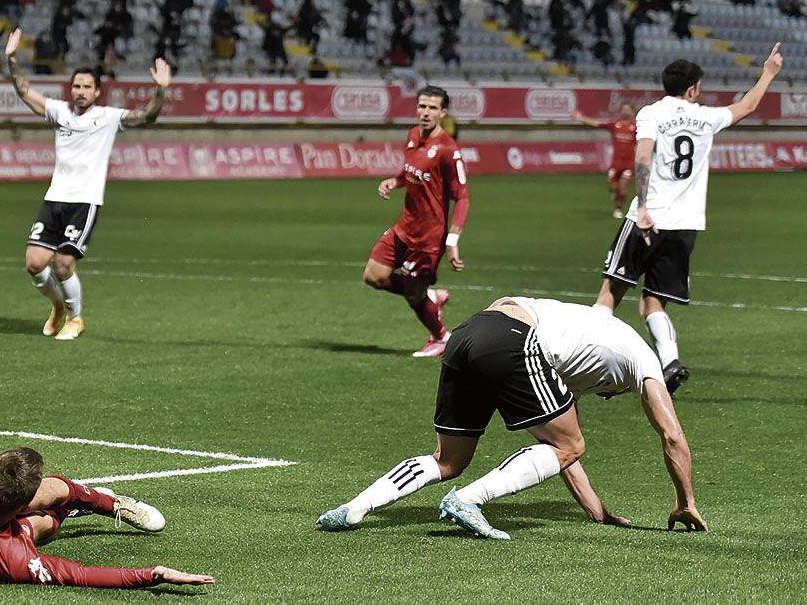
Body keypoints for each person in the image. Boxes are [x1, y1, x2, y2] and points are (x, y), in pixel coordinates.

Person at [317, 296, 707, 540]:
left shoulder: (585, 345)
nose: (605, 397)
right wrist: (685, 501)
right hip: (513, 337)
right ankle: (469, 500)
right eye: (610, 392)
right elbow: (672, 434)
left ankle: (354, 507)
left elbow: (555, 449)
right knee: (570, 442)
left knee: (448, 460)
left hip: (471, 331)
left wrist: (598, 511)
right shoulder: (645, 363)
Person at [0, 284, 216, 589]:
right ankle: (105, 503)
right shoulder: (13, 557)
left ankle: (96, 505)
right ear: (23, 507)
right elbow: (80, 574)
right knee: (52, 503)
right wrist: (153, 573)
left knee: (39, 520)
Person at [594, 43, 783, 394]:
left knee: (611, 292)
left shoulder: (651, 113)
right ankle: (670, 361)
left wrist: (645, 206)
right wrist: (768, 72)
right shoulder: (706, 117)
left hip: (649, 218)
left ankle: (590, 363)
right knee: (653, 302)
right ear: (693, 88)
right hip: (685, 225)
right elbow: (748, 106)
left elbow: (643, 156)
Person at [4, 27, 170, 340]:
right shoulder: (59, 112)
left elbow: (147, 116)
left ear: (97, 92)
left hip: (85, 200)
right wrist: (11, 58)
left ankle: (76, 318)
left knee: (64, 263)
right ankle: (57, 307)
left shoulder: (108, 118)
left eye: (86, 87)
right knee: (34, 262)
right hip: (55, 197)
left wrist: (160, 91)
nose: (80, 91)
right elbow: (24, 90)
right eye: (76, 85)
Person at [364, 86, 470, 357]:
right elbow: (410, 172)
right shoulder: (412, 135)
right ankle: (430, 298)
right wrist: (395, 181)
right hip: (403, 227)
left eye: (432, 108)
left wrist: (453, 241)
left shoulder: (448, 150)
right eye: (422, 106)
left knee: (414, 297)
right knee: (373, 276)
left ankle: (441, 337)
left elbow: (463, 197)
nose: (425, 113)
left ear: (442, 112)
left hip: (427, 238)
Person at [570, 103, 637, 218]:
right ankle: (615, 195)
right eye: (624, 109)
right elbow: (597, 123)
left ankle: (618, 209)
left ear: (632, 112)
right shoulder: (615, 126)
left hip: (628, 164)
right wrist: (580, 118)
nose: (626, 112)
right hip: (616, 164)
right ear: (620, 112)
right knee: (612, 187)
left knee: (622, 187)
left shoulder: (636, 128)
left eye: (628, 110)